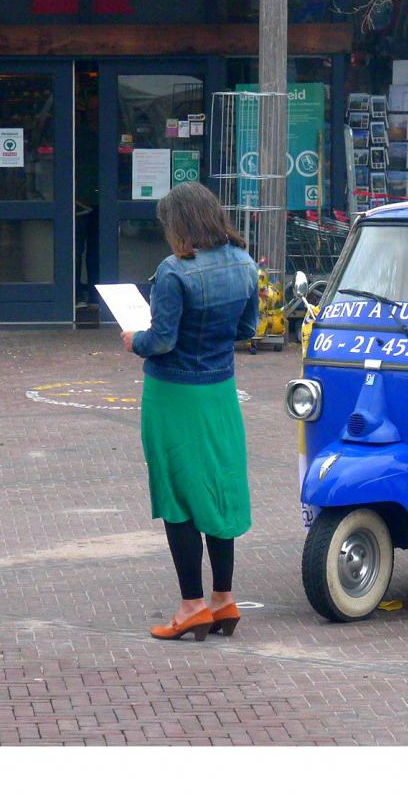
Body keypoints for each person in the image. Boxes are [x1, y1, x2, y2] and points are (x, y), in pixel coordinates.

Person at [121, 182, 259, 640]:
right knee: (218, 490)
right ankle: (224, 600)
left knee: (178, 495)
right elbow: (247, 326)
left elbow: (160, 340)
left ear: (179, 224)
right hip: (220, 389)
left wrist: (132, 340)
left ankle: (190, 606)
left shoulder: (174, 270)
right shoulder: (244, 261)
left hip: (174, 394)